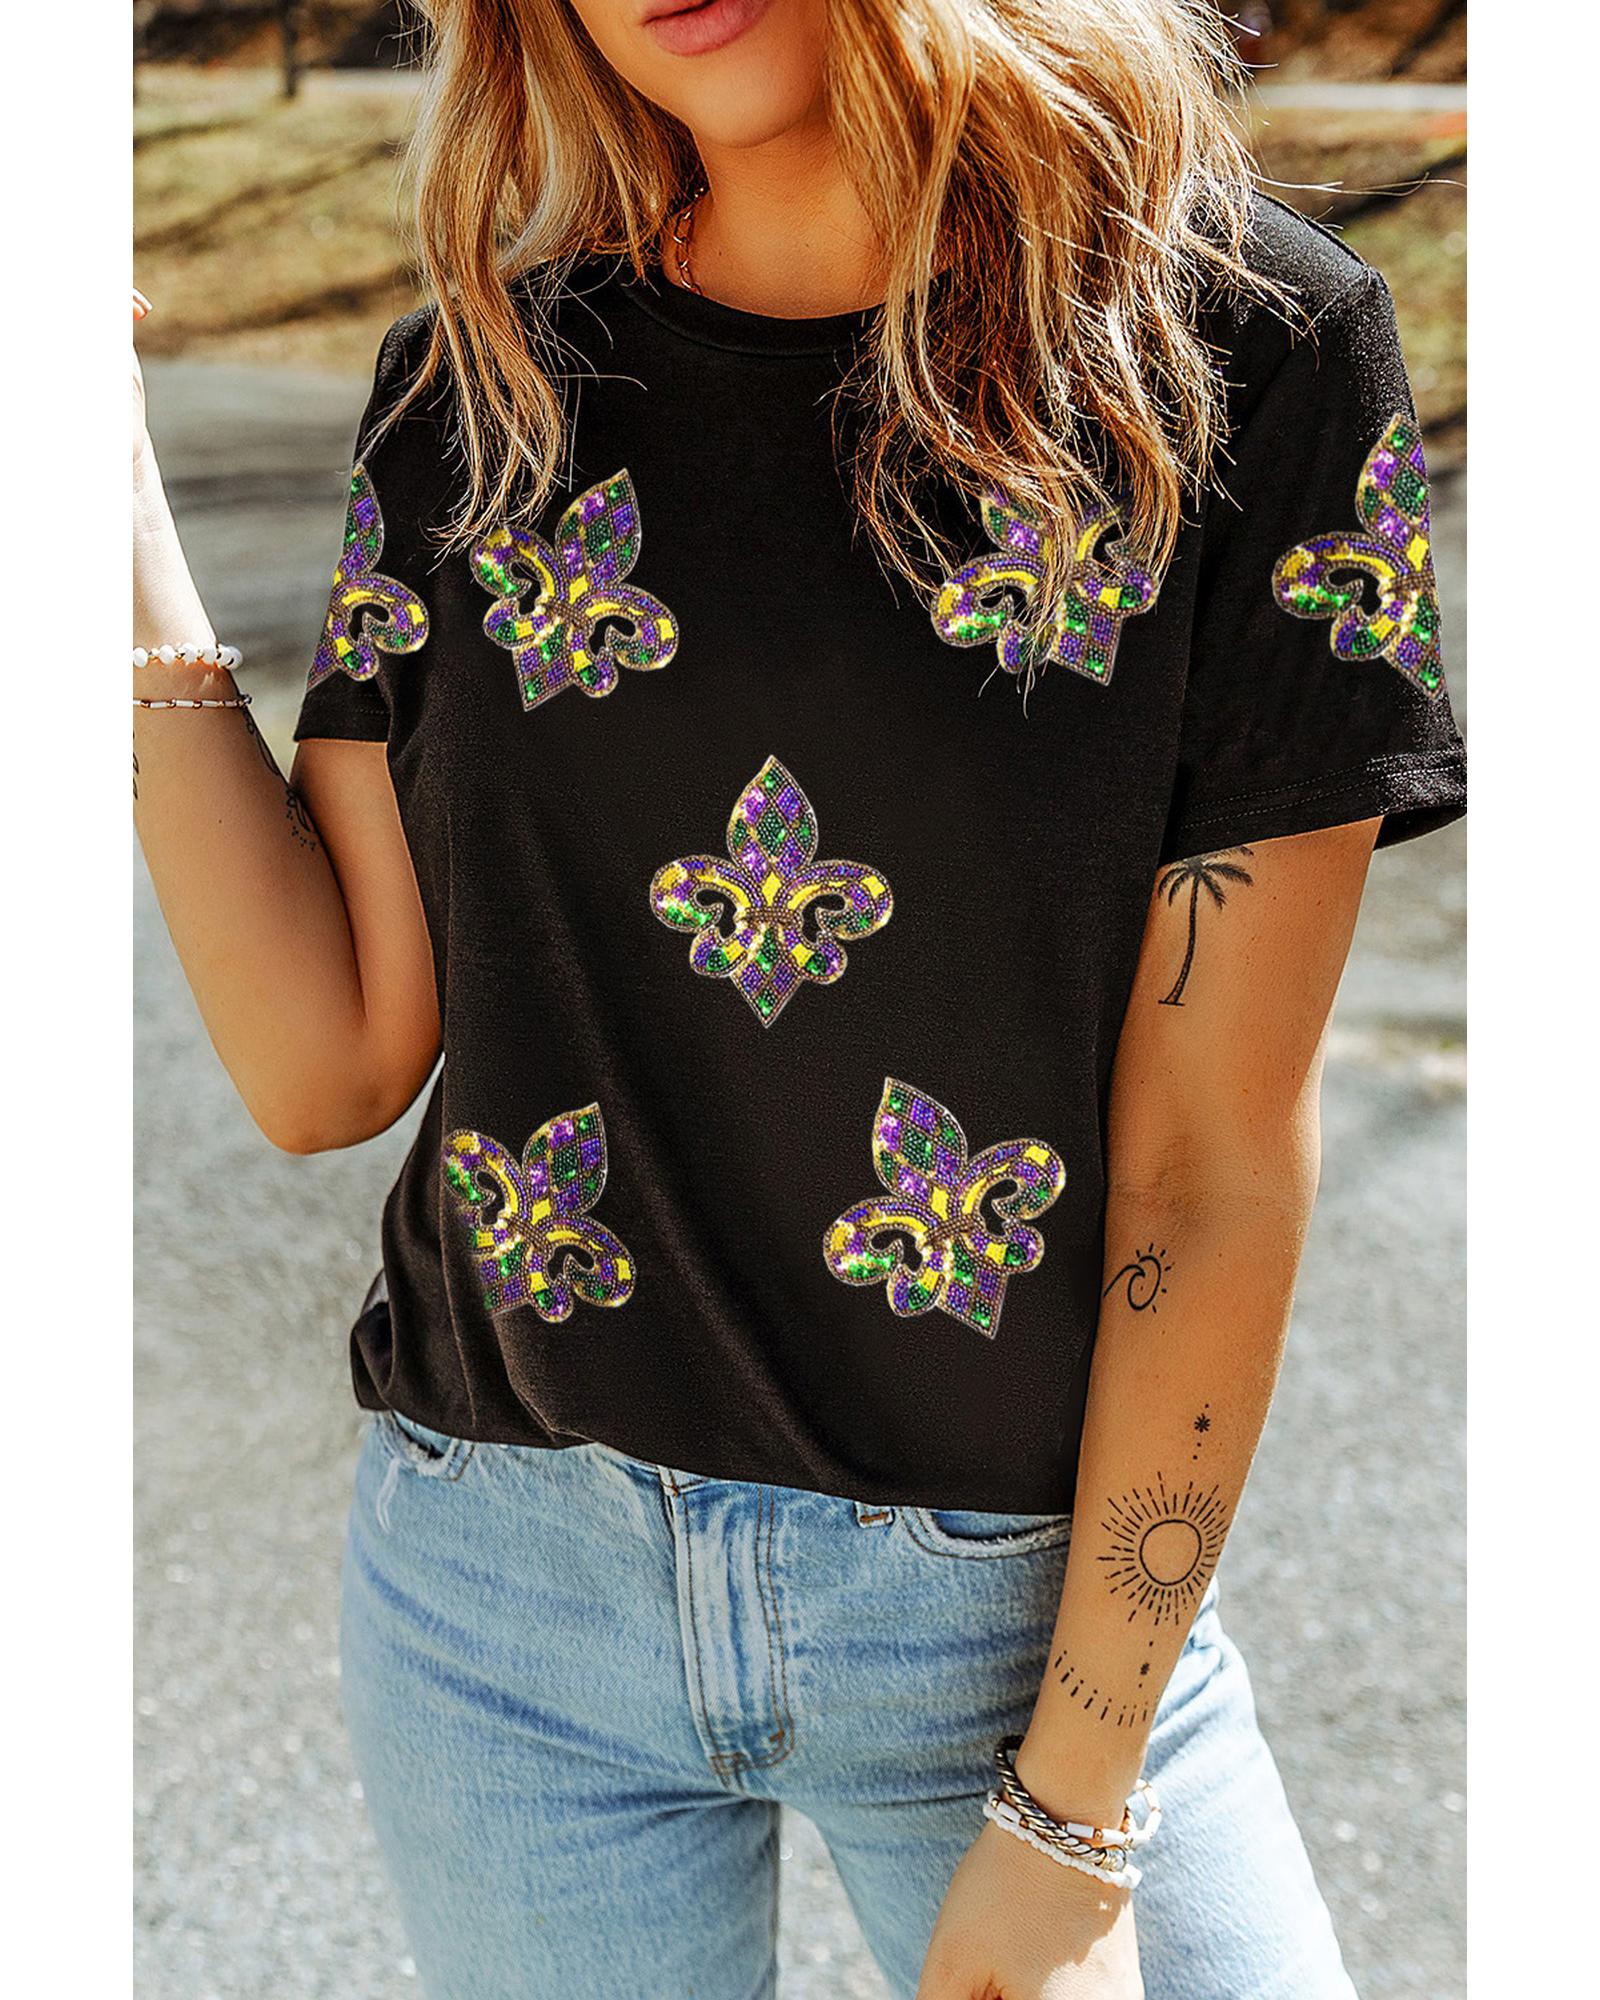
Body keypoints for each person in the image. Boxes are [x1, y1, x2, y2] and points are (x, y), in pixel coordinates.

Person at [131, 2, 1466, 1995]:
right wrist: (96, 499)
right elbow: (326, 1061)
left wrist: (1076, 1807)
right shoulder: (476, 388)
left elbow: (1207, 1169)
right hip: (509, 1602)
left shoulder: (1239, 350)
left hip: (1013, 1628)